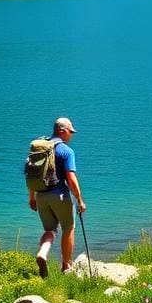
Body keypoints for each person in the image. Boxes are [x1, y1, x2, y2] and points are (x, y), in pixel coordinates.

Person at [29, 116, 87, 277]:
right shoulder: (66, 151)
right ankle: (66, 266)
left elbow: (31, 174)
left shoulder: (40, 148)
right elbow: (71, 179)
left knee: (50, 230)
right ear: (62, 131)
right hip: (60, 196)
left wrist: (32, 197)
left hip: (41, 196)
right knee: (68, 229)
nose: (72, 135)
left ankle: (43, 252)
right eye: (70, 131)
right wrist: (80, 200)